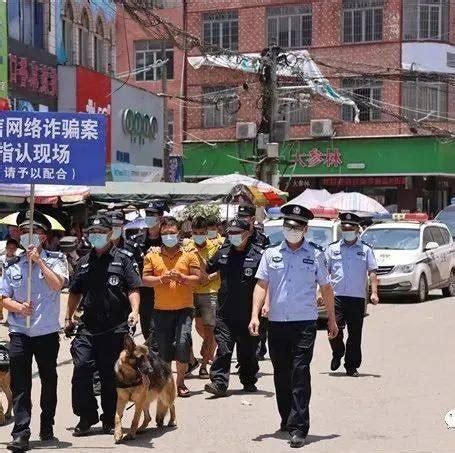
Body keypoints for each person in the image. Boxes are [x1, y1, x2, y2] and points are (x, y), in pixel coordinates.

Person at [249, 204, 338, 449]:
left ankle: (299, 426)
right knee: (281, 374)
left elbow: (326, 288)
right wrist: (254, 315)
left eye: (297, 227)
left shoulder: (316, 254)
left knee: (300, 372)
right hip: (277, 323)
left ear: (305, 230)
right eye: (288, 226)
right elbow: (261, 285)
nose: (292, 230)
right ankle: (287, 418)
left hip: (304, 323)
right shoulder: (270, 254)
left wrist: (331, 318)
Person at [66, 214, 141, 437]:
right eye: (92, 233)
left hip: (115, 326)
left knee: (110, 375)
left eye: (100, 233)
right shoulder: (83, 262)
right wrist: (68, 317)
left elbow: (133, 288)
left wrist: (135, 311)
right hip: (88, 327)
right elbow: (75, 292)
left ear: (110, 234)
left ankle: (110, 418)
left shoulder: (124, 259)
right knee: (81, 369)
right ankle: (86, 415)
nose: (95, 236)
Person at [1, 210, 68, 452]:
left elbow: (58, 284)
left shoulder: (56, 260)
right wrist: (18, 307)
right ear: (19, 236)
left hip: (47, 332)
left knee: (49, 381)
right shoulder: (12, 265)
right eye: (25, 231)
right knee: (20, 383)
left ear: (43, 235)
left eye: (36, 231)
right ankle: (21, 432)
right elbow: (3, 297)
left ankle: (47, 423)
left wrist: (38, 261)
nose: (30, 236)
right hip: (20, 332)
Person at [142, 216, 201, 398]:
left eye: (172, 233)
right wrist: (161, 279)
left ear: (179, 233)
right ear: (160, 234)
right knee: (164, 349)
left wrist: (183, 278)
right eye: (166, 233)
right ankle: (168, 384)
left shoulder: (189, 254)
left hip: (184, 309)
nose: (169, 236)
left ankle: (181, 382)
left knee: (183, 343)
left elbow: (198, 278)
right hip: (161, 309)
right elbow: (145, 280)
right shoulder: (152, 255)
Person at [204, 218, 263, 397]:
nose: (234, 236)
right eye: (231, 233)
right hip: (225, 311)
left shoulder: (259, 255)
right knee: (224, 349)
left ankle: (249, 379)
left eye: (238, 233)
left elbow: (265, 283)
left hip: (248, 313)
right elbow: (207, 269)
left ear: (248, 233)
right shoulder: (223, 252)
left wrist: (264, 308)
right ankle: (219, 383)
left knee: (247, 352)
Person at [325, 212, 379, 377]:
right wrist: (319, 293)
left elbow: (372, 272)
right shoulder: (332, 248)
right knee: (333, 330)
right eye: (344, 228)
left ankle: (351, 366)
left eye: (350, 228)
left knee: (355, 334)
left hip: (357, 298)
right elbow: (324, 273)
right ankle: (338, 351)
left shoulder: (366, 249)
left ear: (357, 229)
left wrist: (374, 293)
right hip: (336, 296)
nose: (347, 230)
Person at [184, 216, 221, 378]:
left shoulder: (216, 247)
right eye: (195, 232)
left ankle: (205, 365)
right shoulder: (186, 246)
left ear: (207, 232)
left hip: (210, 292)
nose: (198, 235)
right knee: (188, 330)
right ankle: (191, 359)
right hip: (190, 292)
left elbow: (221, 268)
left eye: (202, 232)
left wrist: (208, 278)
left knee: (209, 331)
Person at [237, 203, 270, 360]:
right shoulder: (234, 236)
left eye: (245, 218)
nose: (243, 221)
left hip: (258, 287)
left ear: (252, 219)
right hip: (240, 289)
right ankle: (247, 358)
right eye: (240, 217)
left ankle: (256, 350)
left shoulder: (262, 240)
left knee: (259, 326)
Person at [136, 202, 167, 343]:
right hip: (145, 292)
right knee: (147, 330)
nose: (149, 217)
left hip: (165, 290)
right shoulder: (138, 241)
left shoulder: (168, 240)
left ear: (160, 217)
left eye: (152, 214)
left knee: (162, 332)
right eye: (147, 214)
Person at [0, 239, 20, 322]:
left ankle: (10, 317)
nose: (11, 249)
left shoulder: (18, 260)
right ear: (6, 248)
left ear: (16, 249)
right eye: (9, 247)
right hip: (2, 280)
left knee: (11, 299)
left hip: (12, 281)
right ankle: (0, 312)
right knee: (1, 297)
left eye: (13, 248)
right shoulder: (1, 258)